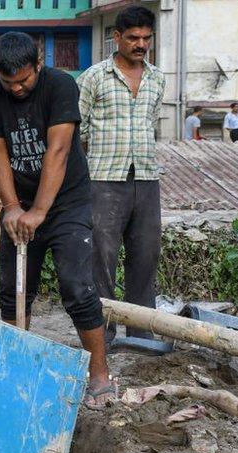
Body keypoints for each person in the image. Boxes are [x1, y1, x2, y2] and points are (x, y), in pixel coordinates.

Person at [0, 32, 114, 410]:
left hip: (67, 203)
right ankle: (15, 368)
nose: (17, 89)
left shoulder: (60, 85)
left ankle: (99, 376)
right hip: (20, 201)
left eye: (24, 80)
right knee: (14, 289)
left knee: (76, 287)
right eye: (9, 83)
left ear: (38, 65)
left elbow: (59, 150)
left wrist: (39, 211)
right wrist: (12, 207)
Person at [78, 5, 167, 352]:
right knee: (101, 257)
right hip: (103, 179)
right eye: (133, 37)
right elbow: (78, 131)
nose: (140, 44)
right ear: (116, 38)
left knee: (146, 255)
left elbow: (151, 124)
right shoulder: (94, 77)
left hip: (146, 177)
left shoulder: (157, 79)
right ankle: (101, 335)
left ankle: (142, 335)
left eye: (146, 38)